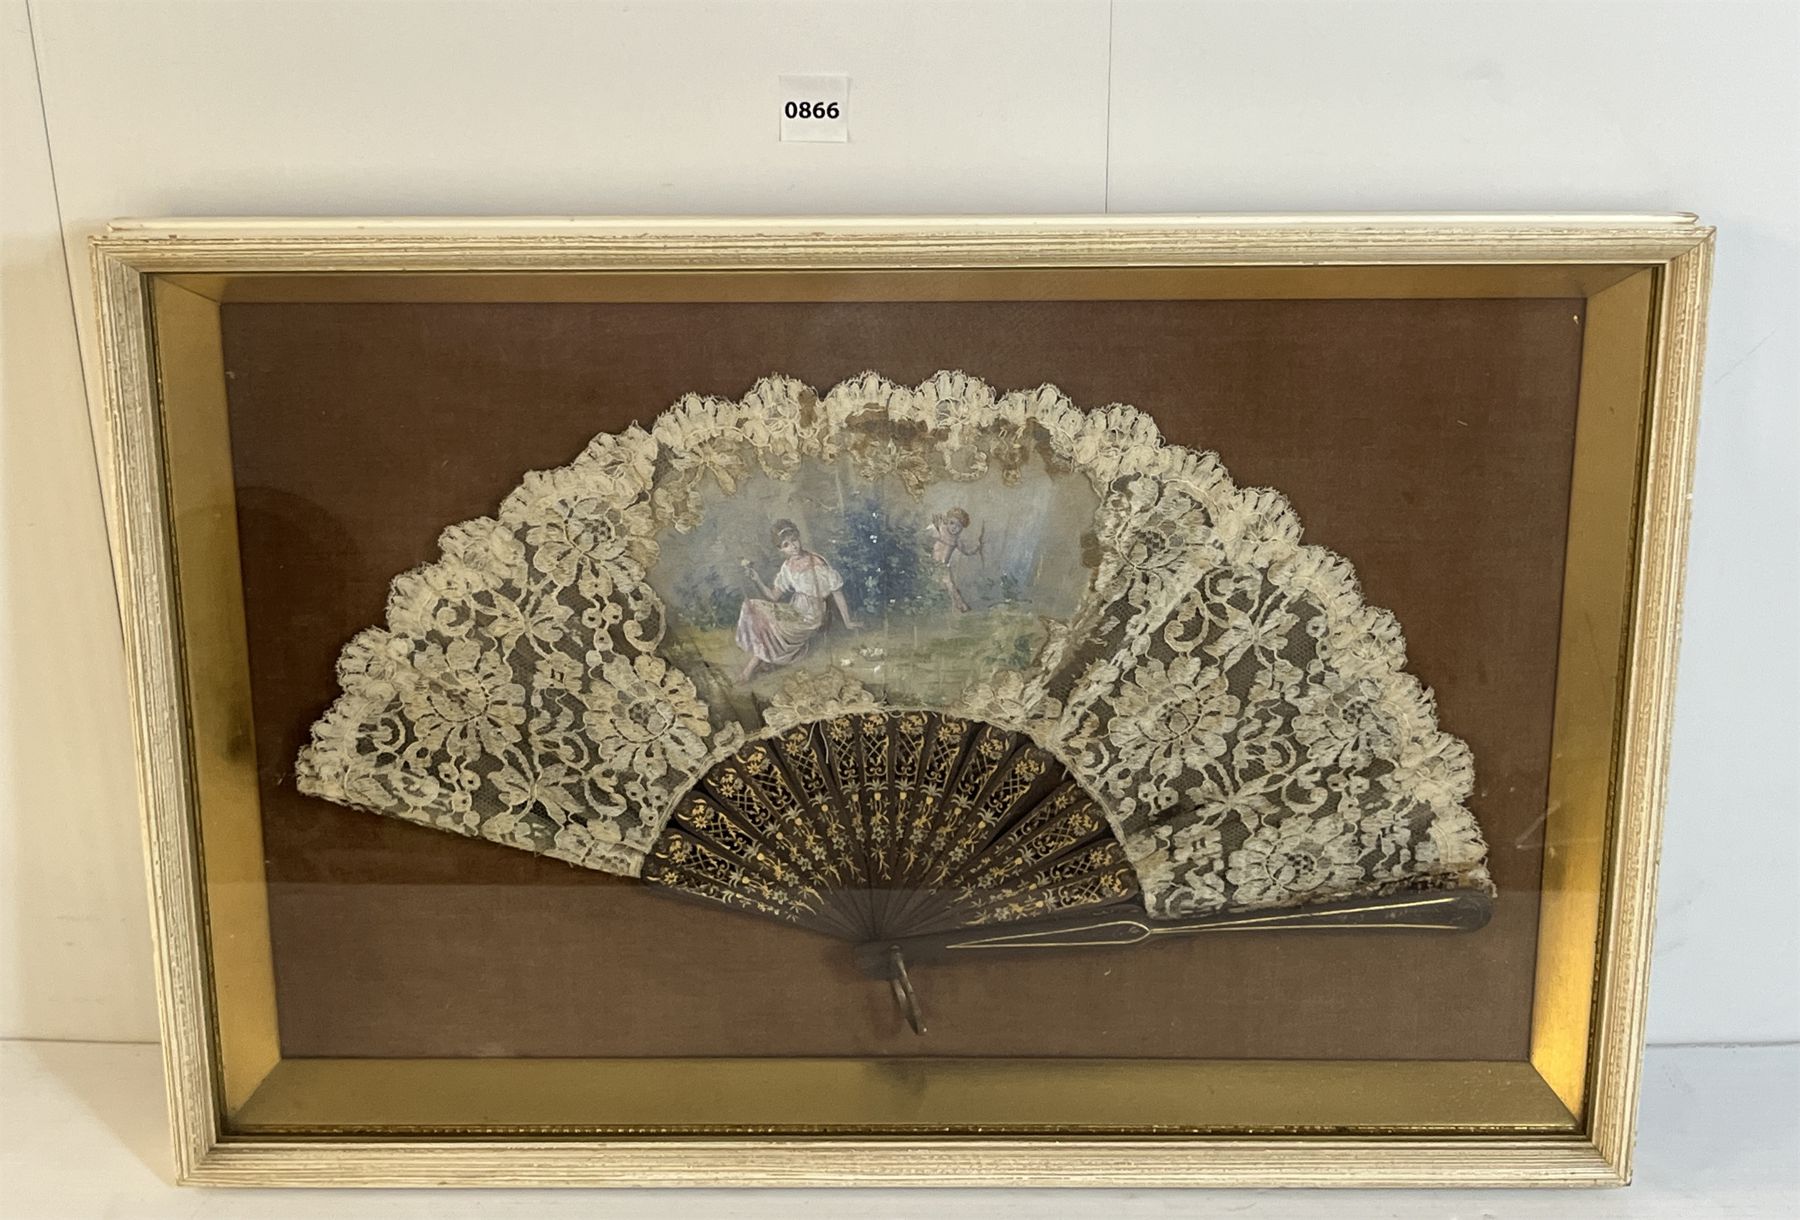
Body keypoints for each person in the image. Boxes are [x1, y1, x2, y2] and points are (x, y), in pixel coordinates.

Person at [735, 519, 858, 683]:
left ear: (799, 537)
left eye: (794, 540)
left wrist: (847, 621)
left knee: (774, 628)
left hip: (812, 615)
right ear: (780, 549)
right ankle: (760, 662)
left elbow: (837, 592)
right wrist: (757, 580)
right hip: (795, 609)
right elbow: (773, 597)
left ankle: (749, 670)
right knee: (755, 608)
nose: (793, 546)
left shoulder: (816, 561)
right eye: (786, 545)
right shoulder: (787, 566)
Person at [926, 507, 984, 613]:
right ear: (947, 521)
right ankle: (932, 606)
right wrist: (934, 526)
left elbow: (966, 551)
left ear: (962, 528)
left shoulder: (957, 540)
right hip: (931, 563)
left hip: (943, 567)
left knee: (950, 587)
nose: (954, 528)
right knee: (931, 584)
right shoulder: (941, 529)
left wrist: (977, 548)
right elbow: (928, 533)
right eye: (952, 523)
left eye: (958, 526)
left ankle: (962, 606)